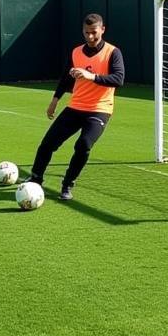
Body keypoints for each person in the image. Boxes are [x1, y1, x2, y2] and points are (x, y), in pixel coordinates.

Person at [26, 13, 124, 201]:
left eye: (94, 32)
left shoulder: (113, 52)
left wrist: (92, 76)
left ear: (102, 29)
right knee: (47, 144)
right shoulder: (76, 52)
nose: (90, 37)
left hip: (99, 109)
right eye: (86, 33)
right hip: (75, 107)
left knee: (83, 145)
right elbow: (66, 77)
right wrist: (55, 99)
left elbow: (118, 79)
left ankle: (67, 184)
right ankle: (35, 179)